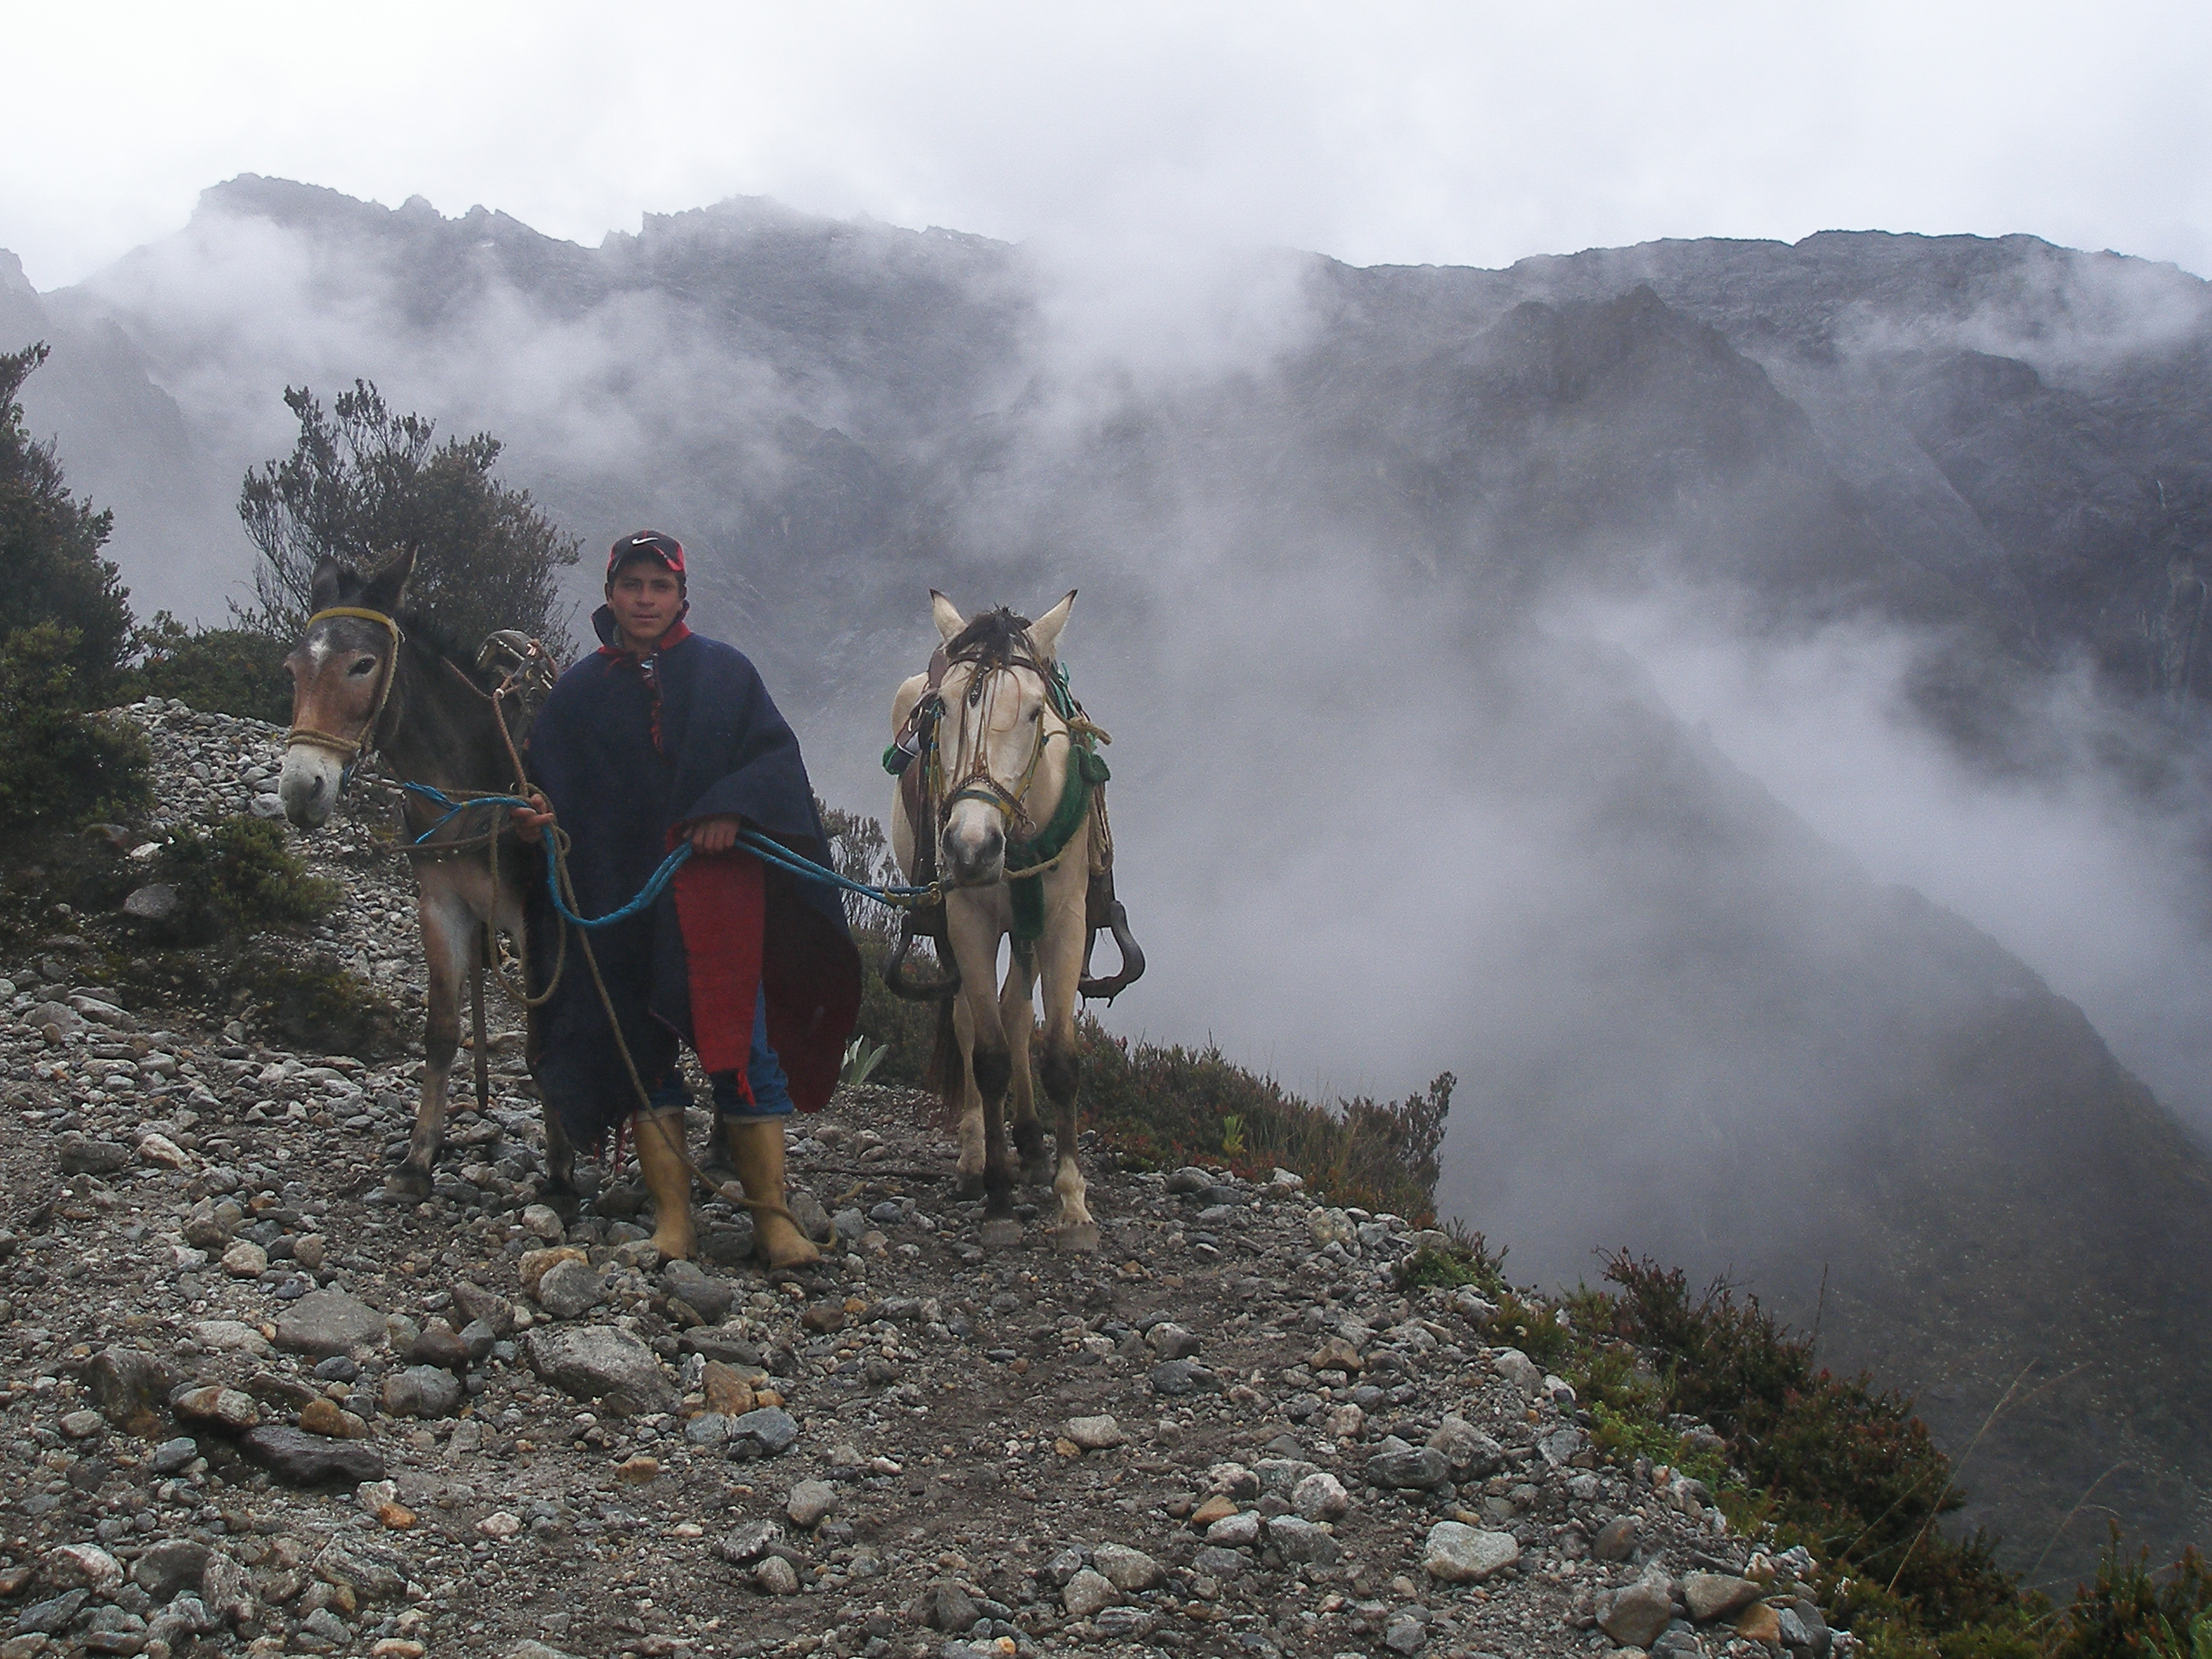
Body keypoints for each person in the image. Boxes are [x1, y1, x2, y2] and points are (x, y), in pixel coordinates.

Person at [512, 530, 861, 1269]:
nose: (645, 599)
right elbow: (546, 789)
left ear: (680, 595)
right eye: (632, 585)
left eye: (658, 586)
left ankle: (773, 1222)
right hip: (622, 903)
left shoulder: (725, 675)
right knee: (644, 1061)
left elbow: (775, 763)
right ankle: (675, 1222)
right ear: (609, 595)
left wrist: (729, 807)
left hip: (716, 903)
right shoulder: (576, 696)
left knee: (746, 1053)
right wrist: (535, 819)